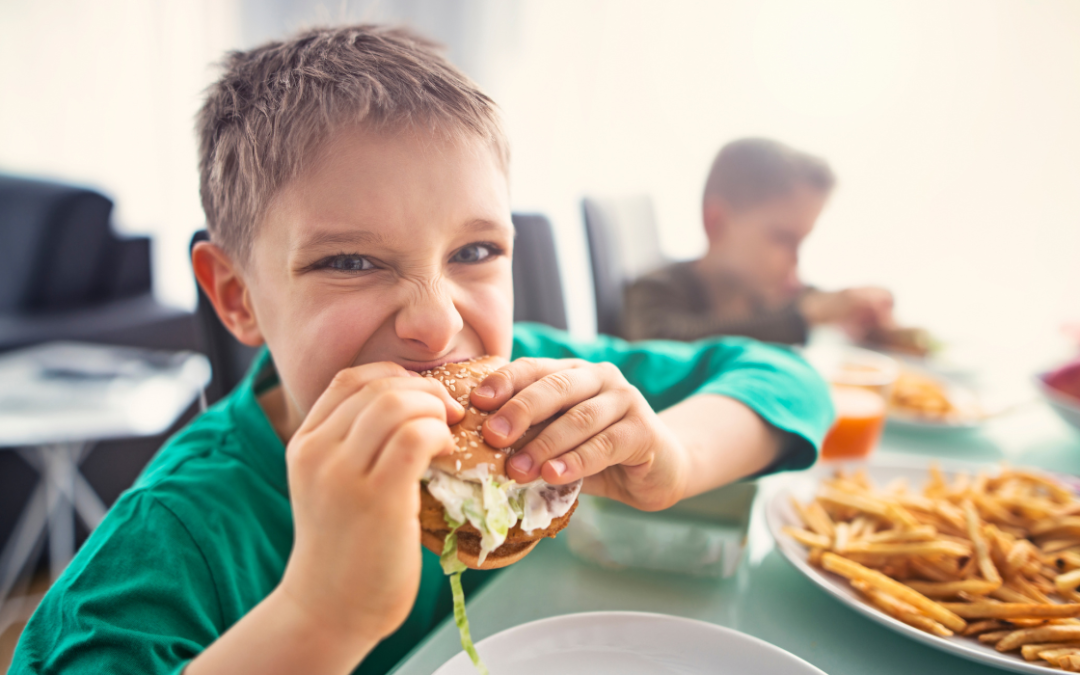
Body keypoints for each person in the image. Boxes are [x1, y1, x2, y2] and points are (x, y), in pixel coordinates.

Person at [9, 27, 833, 675]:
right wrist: (321, 614)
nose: (438, 329)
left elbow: (788, 378)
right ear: (237, 295)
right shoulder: (178, 531)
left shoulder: (529, 382)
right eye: (351, 262)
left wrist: (671, 457)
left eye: (475, 252)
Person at [622, 138, 897, 344]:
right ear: (717, 223)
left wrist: (852, 305)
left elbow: (806, 300)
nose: (795, 260)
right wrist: (804, 318)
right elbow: (665, 341)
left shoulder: (762, 295)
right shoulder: (653, 291)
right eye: (784, 239)